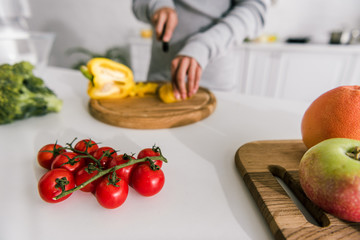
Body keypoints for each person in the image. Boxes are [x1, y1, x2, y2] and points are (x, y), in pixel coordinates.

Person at [132, 0, 270, 100]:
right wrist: (157, 5)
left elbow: (254, 9)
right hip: (158, 81)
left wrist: (203, 46)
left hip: (214, 88)